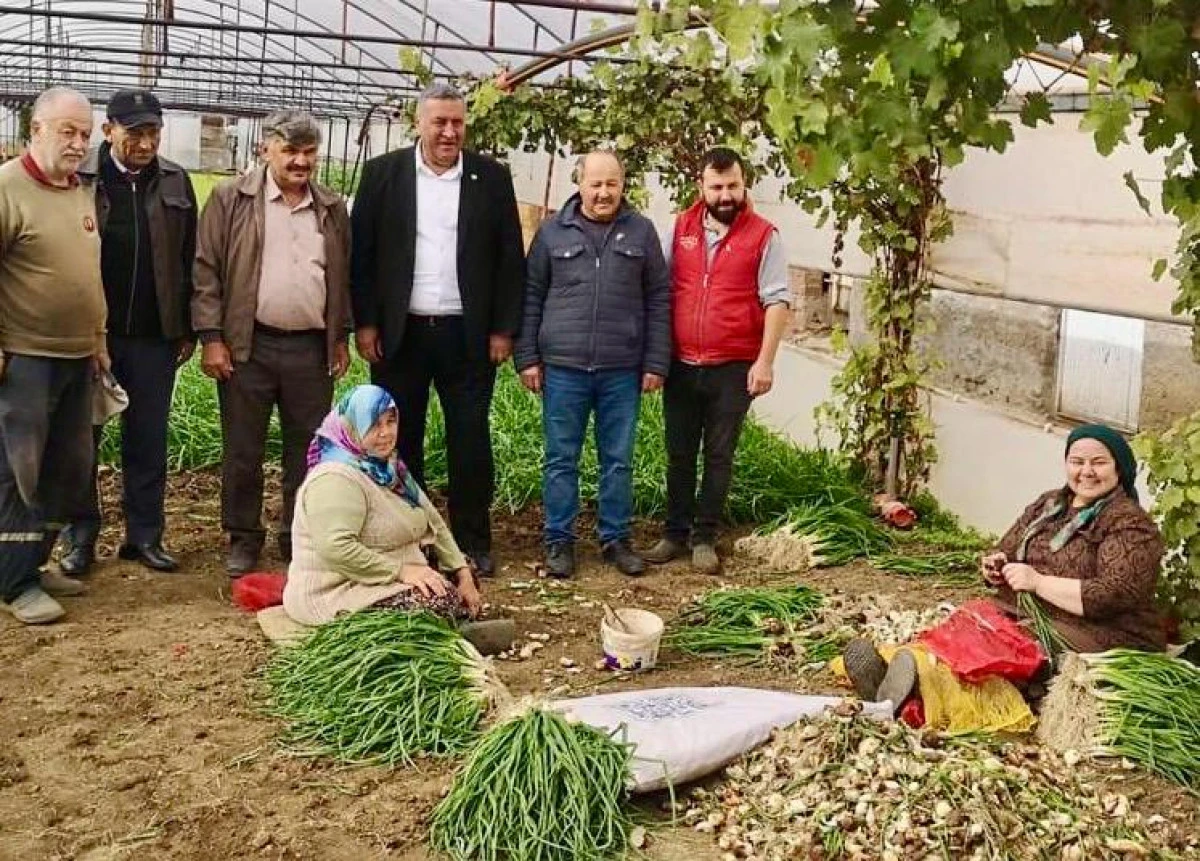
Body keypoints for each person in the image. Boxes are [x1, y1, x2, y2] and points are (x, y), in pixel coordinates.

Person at [845, 424, 1165, 709]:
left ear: (1119, 469)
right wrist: (995, 564)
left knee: (1006, 647)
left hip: (1099, 630)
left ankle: (912, 691)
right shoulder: (1050, 504)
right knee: (970, 622)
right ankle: (905, 674)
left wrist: (1038, 582)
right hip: (1026, 610)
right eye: (1077, 461)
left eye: (1099, 463)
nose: (1086, 472)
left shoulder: (1129, 523)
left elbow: (1112, 594)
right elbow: (1005, 547)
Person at [350, 82, 525, 578]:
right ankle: (412, 537)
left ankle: (471, 540)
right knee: (399, 441)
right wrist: (365, 322)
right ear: (418, 123)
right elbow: (361, 255)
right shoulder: (384, 174)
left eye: (457, 123)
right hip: (399, 336)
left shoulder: (490, 178)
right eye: (439, 122)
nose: (449, 132)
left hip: (467, 337)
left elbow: (510, 259)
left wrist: (503, 330)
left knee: (469, 440)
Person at [193, 110, 351, 576]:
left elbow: (342, 277)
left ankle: (297, 535)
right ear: (266, 149)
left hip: (309, 348)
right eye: (290, 151)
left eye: (309, 152)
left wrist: (338, 336)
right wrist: (212, 338)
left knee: (308, 450)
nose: (301, 161)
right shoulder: (231, 199)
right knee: (244, 450)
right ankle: (243, 537)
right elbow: (205, 271)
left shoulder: (331, 207)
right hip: (248, 346)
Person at [514, 150, 672, 579]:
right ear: (579, 184)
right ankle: (559, 540)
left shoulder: (641, 232)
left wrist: (656, 360)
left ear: (623, 185)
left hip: (621, 369)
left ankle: (616, 539)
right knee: (561, 457)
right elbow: (530, 296)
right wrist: (527, 356)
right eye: (595, 184)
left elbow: (659, 298)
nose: (604, 193)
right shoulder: (551, 233)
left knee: (618, 459)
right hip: (563, 368)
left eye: (612, 184)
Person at [59, 89, 198, 576]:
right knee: (82, 439)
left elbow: (189, 260)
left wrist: (186, 327)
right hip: (90, 334)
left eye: (153, 132)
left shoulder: (176, 182)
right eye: (135, 131)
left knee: (147, 439)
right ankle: (79, 538)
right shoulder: (80, 180)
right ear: (108, 131)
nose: (145, 142)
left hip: (153, 338)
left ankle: (144, 537)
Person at [642, 148, 792, 575]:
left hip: (733, 366)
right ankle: (674, 534)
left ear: (744, 185)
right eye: (717, 187)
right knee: (679, 452)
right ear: (701, 187)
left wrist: (764, 363)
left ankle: (704, 537)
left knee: (719, 455)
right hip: (683, 364)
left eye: (733, 186)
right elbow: (661, 290)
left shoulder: (765, 235)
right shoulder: (681, 228)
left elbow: (777, 300)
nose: (726, 195)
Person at [0, 87, 107, 624]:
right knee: (17, 471)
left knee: (63, 469)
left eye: (85, 134)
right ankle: (15, 583)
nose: (79, 143)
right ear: (36, 128)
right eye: (68, 131)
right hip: (25, 357)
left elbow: (88, 275)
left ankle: (35, 563)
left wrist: (99, 341)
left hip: (75, 356)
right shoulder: (7, 188)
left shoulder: (74, 191)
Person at [282, 384, 485, 626]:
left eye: (391, 422)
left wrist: (461, 571)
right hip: (335, 590)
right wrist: (402, 571)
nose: (386, 433)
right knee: (436, 602)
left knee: (456, 586)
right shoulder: (335, 478)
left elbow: (432, 519)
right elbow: (336, 547)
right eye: (374, 424)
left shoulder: (388, 467)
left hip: (380, 578)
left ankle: (456, 625)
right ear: (352, 427)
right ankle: (456, 632)